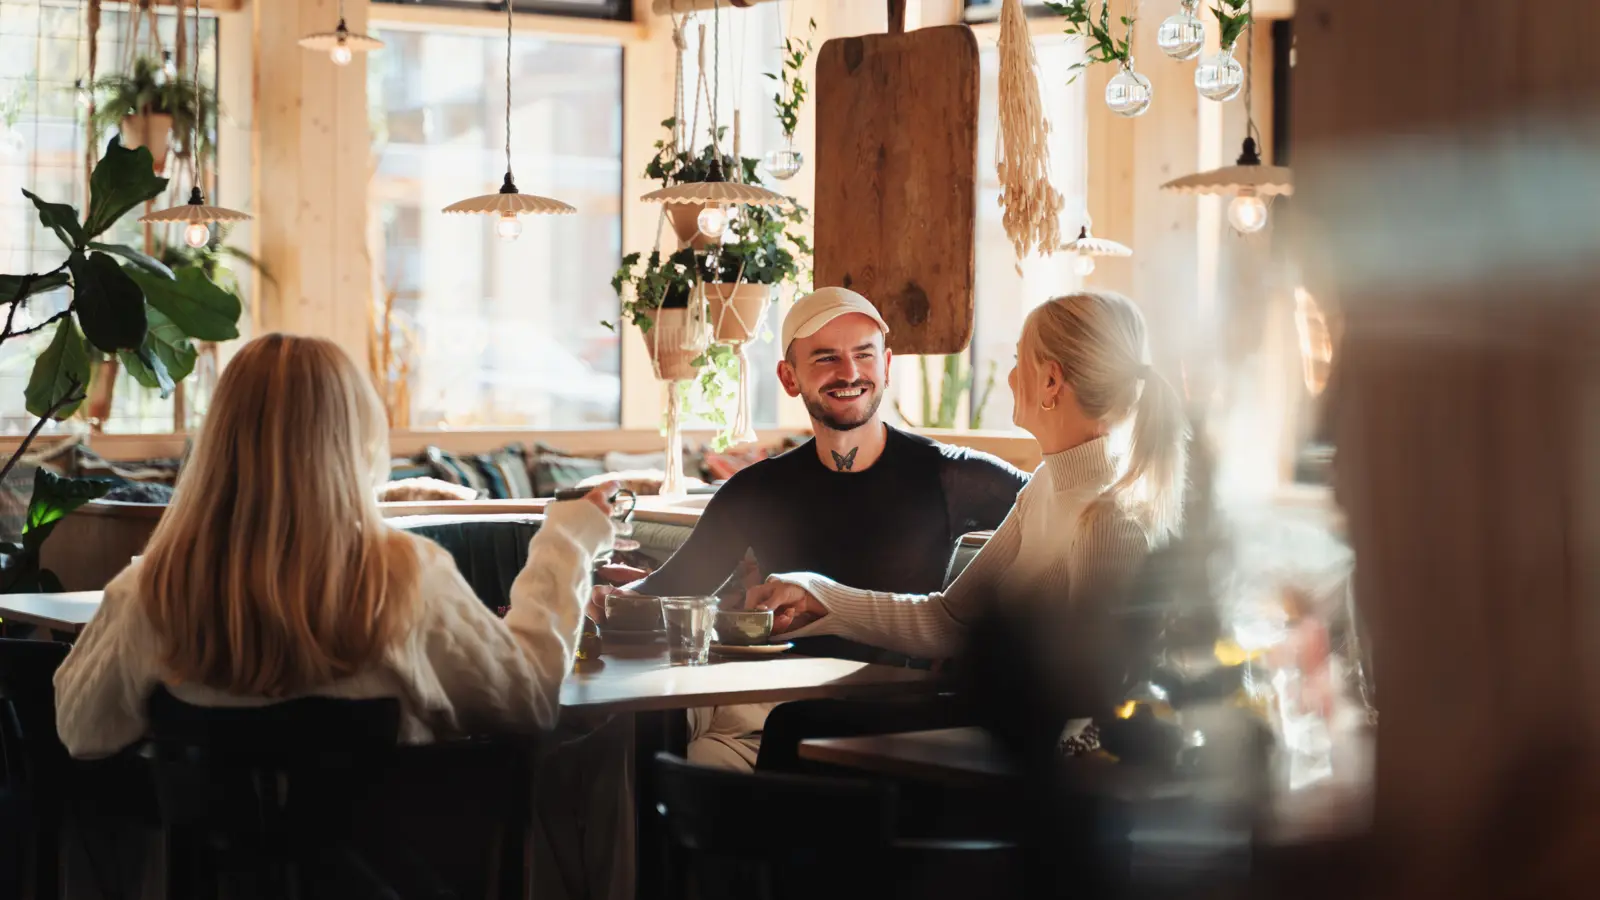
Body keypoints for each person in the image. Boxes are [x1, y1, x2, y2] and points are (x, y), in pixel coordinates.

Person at [52, 335, 628, 898]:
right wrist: (567, 543)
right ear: (352, 442)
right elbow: (526, 701)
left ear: (217, 442)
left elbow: (81, 733)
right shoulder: (405, 577)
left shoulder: (151, 590)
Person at [594, 286, 1029, 768]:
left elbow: (1063, 515)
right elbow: (677, 588)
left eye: (864, 355)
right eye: (825, 359)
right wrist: (601, 600)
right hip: (764, 705)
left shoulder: (952, 475)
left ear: (886, 364)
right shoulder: (756, 488)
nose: (849, 373)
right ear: (788, 376)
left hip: (888, 718)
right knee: (608, 745)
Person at [747, 290, 1190, 751]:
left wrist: (980, 663)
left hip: (1031, 755)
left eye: (1021, 360)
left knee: (794, 728)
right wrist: (816, 594)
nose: (1012, 376)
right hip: (990, 717)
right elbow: (948, 618)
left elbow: (1089, 691)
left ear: (1052, 381)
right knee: (794, 723)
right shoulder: (1045, 487)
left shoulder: (1109, 518)